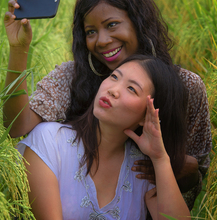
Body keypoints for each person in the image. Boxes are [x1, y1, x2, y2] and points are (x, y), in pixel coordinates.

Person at [3, 0, 211, 209]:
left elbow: (196, 179)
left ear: (138, 22)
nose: (101, 40)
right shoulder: (73, 76)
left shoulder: (186, 86)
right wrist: (18, 50)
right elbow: (17, 126)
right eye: (91, 31)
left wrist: (179, 168)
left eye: (112, 25)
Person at [16, 55, 191, 219]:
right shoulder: (49, 140)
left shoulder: (142, 168)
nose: (113, 90)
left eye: (131, 89)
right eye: (114, 77)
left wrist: (160, 159)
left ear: (147, 115)